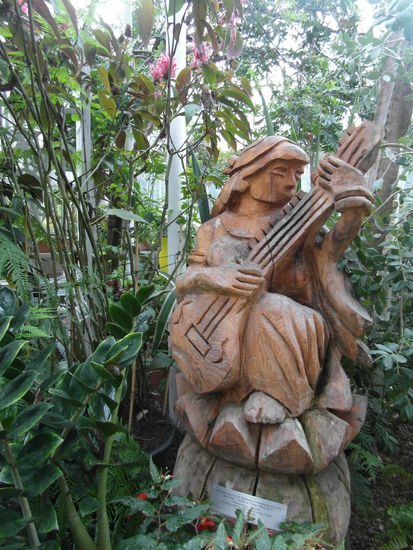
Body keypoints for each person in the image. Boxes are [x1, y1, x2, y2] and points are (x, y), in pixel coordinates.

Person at [171, 136, 373, 422]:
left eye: (297, 175)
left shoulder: (300, 224)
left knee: (269, 307)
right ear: (247, 177)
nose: (291, 183)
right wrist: (215, 276)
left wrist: (353, 210)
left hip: (289, 325)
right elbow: (185, 282)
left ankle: (276, 393)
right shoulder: (213, 229)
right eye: (280, 172)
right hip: (214, 329)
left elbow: (330, 252)